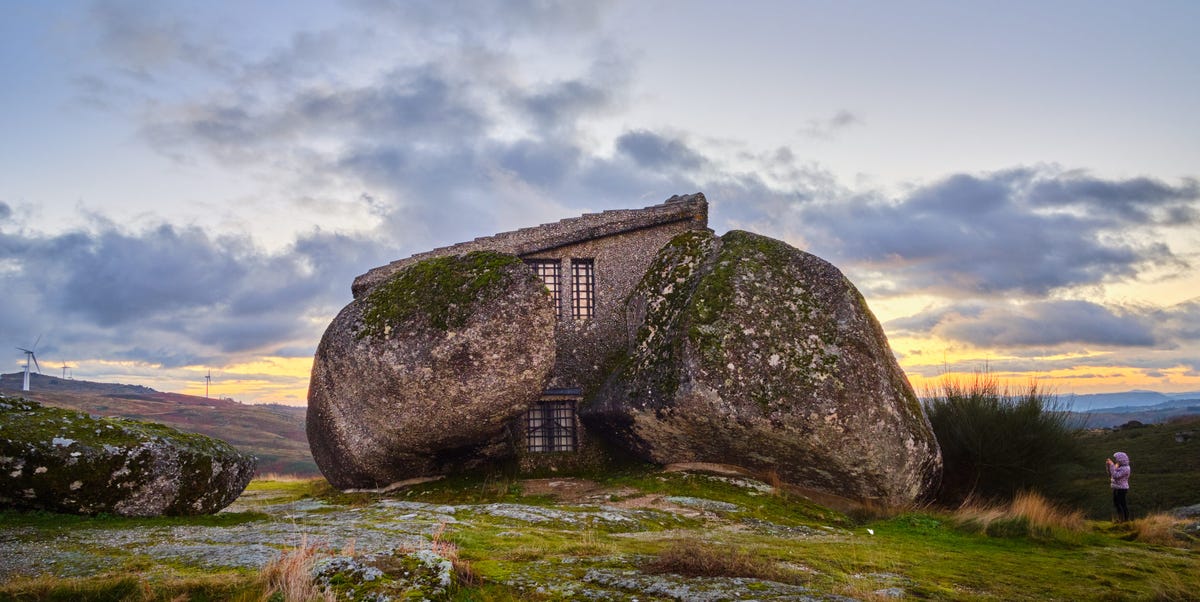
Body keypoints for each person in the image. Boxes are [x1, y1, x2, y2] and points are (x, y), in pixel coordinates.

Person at [1105, 451, 1131, 522]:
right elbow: (1111, 474)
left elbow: (1115, 476)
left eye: (1117, 459)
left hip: (1122, 489)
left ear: (1121, 459)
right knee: (1116, 504)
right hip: (1116, 488)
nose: (1116, 460)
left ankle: (1125, 520)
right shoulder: (1118, 466)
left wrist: (1112, 465)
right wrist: (1108, 465)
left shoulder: (1126, 468)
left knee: (1122, 504)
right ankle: (1121, 519)